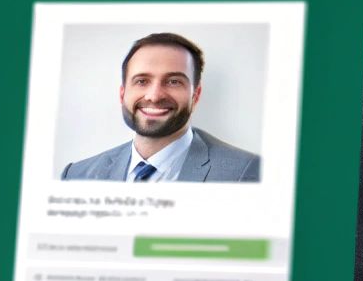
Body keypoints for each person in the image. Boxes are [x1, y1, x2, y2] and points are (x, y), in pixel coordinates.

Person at [61, 32, 261, 182]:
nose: (154, 96)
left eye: (173, 81)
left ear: (195, 95)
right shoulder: (76, 175)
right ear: (122, 94)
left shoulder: (245, 172)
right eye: (141, 81)